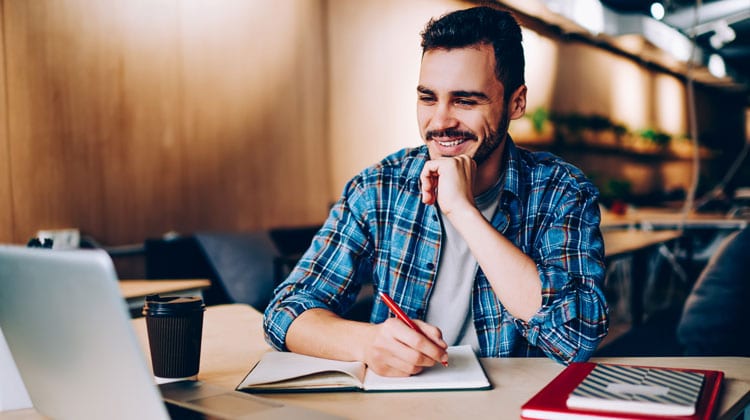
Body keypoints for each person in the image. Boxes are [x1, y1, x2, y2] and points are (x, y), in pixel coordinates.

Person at [264, 6, 608, 376]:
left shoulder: (561, 191)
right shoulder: (380, 187)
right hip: (401, 404)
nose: (440, 122)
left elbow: (576, 337)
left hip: (511, 407)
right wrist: (368, 342)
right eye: (428, 98)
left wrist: (463, 210)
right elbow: (285, 311)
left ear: (516, 102)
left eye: (465, 100)